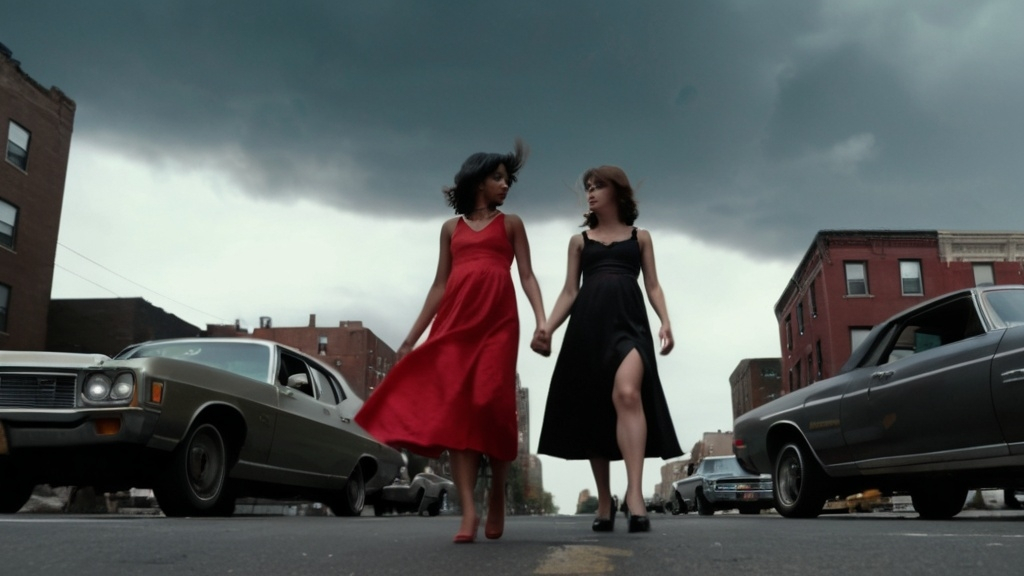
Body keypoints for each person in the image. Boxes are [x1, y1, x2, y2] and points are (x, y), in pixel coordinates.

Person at [355, 140, 546, 544]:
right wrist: (410, 338)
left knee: (492, 405)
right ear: (478, 180)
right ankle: (469, 512)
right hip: (455, 324)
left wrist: (541, 322)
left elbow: (527, 276)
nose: (505, 185)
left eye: (508, 179)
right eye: (498, 178)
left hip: (498, 324)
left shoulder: (511, 224)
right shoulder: (450, 230)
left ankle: (495, 495)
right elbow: (440, 285)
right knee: (460, 413)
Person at [532, 165, 682, 534]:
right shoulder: (579, 242)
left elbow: (654, 285)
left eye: (598, 186)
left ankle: (634, 494)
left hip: (630, 327)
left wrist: (665, 320)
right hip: (587, 330)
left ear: (617, 191)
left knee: (629, 393)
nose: (591, 192)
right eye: (587, 187)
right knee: (597, 410)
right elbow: (570, 291)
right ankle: (604, 500)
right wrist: (547, 328)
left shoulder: (640, 238)